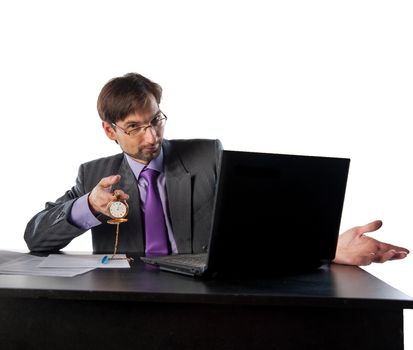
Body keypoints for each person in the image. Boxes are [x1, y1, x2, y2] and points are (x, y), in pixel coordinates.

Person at [24, 73, 409, 266]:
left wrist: (329, 248)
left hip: (201, 295)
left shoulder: (206, 156)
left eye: (155, 120)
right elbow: (36, 238)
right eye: (134, 128)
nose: (151, 136)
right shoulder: (94, 175)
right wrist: (88, 206)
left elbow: (261, 221)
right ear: (109, 130)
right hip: (128, 300)